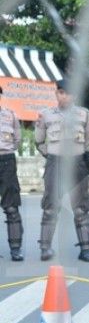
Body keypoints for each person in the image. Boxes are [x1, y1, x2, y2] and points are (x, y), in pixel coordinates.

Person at [34, 79, 89, 262]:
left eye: (67, 93)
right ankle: (45, 248)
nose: (64, 96)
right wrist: (52, 156)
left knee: (81, 209)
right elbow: (39, 141)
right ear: (56, 94)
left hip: (77, 165)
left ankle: (86, 250)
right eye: (60, 92)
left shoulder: (84, 115)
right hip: (55, 165)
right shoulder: (45, 115)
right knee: (51, 208)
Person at [0, 85, 24, 261]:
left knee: (11, 207)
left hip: (6, 160)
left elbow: (17, 140)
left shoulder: (10, 115)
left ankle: (15, 248)